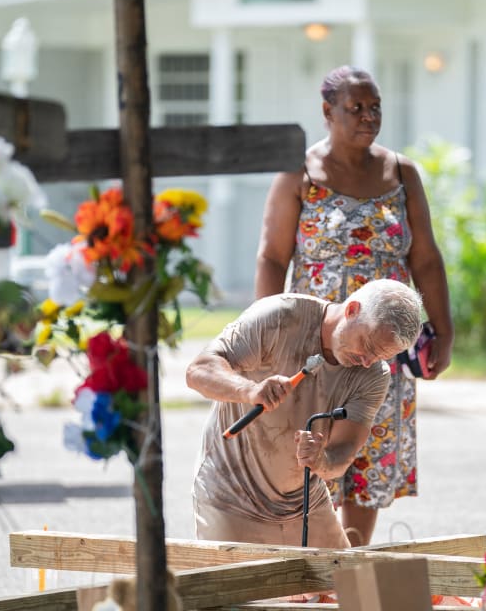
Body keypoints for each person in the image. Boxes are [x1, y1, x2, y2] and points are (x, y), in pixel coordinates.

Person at [255, 65, 453, 546]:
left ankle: (351, 572)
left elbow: (424, 256)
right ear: (328, 112)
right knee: (311, 446)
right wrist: (265, 339)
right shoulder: (300, 174)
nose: (369, 117)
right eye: (356, 108)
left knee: (368, 455)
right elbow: (273, 256)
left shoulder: (401, 172)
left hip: (384, 347)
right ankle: (308, 573)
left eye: (375, 107)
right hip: (318, 343)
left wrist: (443, 331)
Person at [186, 278, 423, 548]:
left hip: (302, 501)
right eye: (366, 345)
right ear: (352, 310)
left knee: (351, 586)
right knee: (242, 588)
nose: (367, 361)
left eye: (380, 356)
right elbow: (198, 370)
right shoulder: (279, 317)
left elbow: (344, 449)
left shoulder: (373, 375)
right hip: (229, 493)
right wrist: (249, 390)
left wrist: (321, 460)